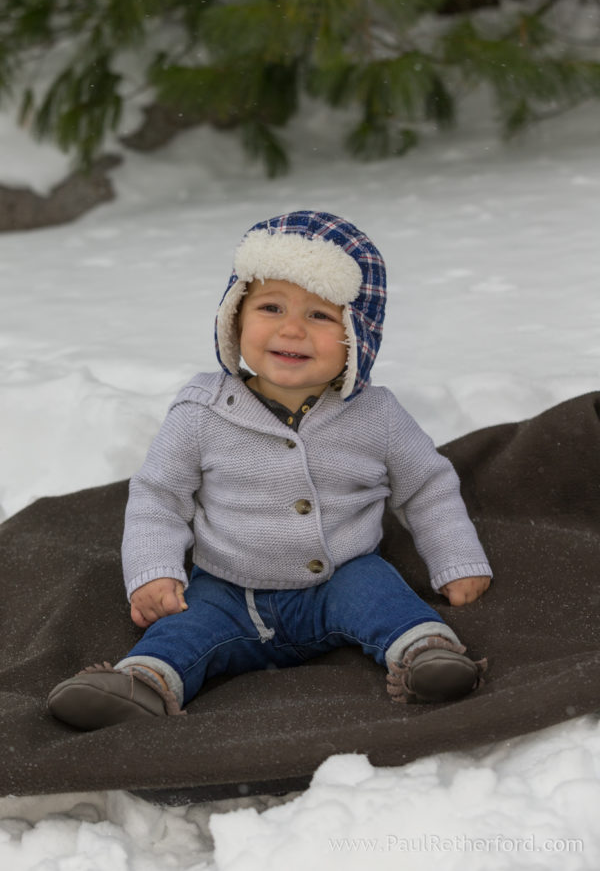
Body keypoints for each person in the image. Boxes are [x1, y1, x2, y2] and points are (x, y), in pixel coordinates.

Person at [48, 210, 491, 730]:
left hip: (342, 573)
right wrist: (154, 571)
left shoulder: (377, 415)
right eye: (271, 307)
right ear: (235, 317)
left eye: (321, 316)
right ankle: (144, 683)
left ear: (357, 336)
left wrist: (457, 558)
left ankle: (426, 657)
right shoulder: (201, 412)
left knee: (384, 598)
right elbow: (158, 497)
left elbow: (428, 487)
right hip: (230, 585)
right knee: (184, 629)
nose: (292, 329)